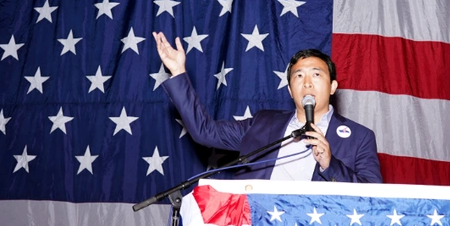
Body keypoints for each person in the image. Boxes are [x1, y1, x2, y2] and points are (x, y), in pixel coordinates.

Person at [152, 32, 382, 183]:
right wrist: (178, 72)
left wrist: (331, 164)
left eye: (316, 75)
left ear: (333, 87)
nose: (307, 82)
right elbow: (205, 132)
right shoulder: (263, 123)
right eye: (298, 76)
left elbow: (374, 198)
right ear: (291, 90)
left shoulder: (360, 137)